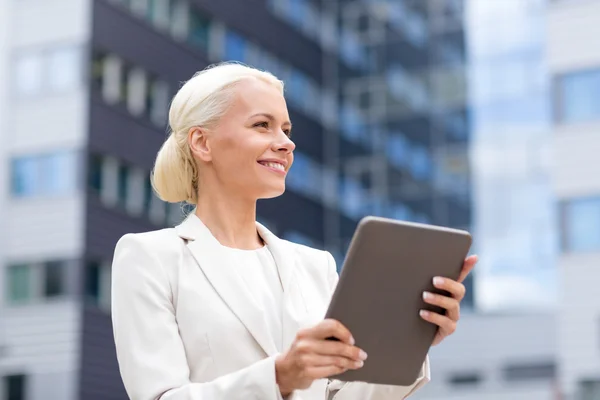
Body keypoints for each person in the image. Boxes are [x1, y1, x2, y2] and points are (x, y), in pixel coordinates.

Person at [111, 62, 477, 400]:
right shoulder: (150, 258)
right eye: (261, 125)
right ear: (202, 142)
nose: (287, 143)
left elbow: (340, 396)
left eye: (286, 129)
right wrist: (280, 376)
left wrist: (412, 339)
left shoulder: (314, 266)